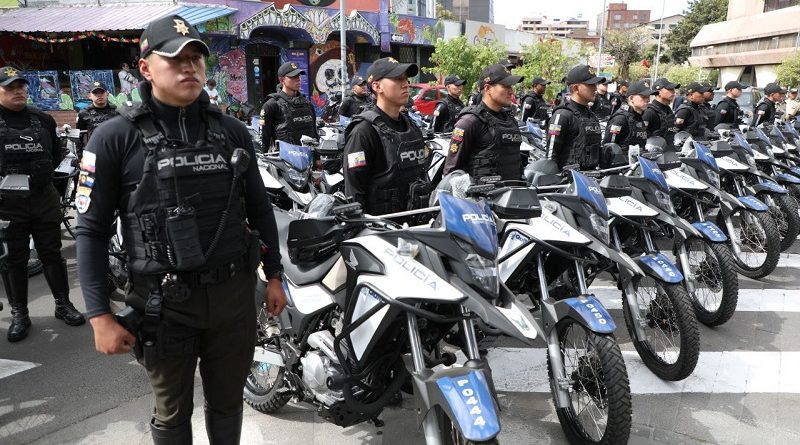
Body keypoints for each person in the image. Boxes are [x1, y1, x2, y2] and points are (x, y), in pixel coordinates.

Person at [74, 15, 287, 444]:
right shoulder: (114, 138)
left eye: (196, 58)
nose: (189, 67)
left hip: (233, 299)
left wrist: (275, 275)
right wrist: (99, 315)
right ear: (146, 69)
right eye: (175, 58)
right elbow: (91, 231)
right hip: (164, 304)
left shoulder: (231, 132)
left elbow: (260, 209)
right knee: (172, 415)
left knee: (228, 406)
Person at [0, 66, 85, 342]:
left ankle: (63, 304)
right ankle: (20, 314)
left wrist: (57, 196)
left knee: (52, 253)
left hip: (43, 198)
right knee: (15, 260)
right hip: (7, 205)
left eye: (21, 86)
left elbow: (59, 158)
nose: (19, 91)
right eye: (11, 87)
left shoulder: (43, 120)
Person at [343, 57, 430, 215]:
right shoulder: (363, 132)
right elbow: (354, 194)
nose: (405, 84)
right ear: (376, 86)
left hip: (417, 227)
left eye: (405, 78)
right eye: (398, 79)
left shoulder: (412, 127)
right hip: (382, 231)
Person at [444, 64, 524, 180]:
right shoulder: (470, 121)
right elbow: (451, 173)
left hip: (513, 195)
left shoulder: (510, 120)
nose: (511, 91)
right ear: (487, 88)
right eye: (506, 86)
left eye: (511, 86)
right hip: (482, 197)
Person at [545, 64, 605, 171]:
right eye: (590, 85)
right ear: (576, 88)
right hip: (569, 182)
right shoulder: (562, 115)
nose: (595, 88)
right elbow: (551, 156)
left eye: (595, 84)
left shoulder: (591, 116)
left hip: (591, 179)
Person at [259, 62, 318, 150]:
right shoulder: (270, 105)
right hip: (285, 160)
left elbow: (314, 133)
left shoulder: (307, 104)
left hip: (308, 159)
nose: (298, 79)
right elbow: (265, 138)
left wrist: (317, 158)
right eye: (293, 77)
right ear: (282, 80)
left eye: (298, 76)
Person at [603, 80, 656, 162]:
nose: (648, 100)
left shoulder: (638, 116)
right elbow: (608, 148)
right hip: (622, 168)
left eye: (648, 97)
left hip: (638, 165)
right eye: (643, 97)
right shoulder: (620, 119)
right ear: (631, 98)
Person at [76, 81, 118, 145]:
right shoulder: (83, 114)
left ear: (107, 94)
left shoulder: (117, 111)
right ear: (89, 95)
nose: (99, 95)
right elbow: (79, 136)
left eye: (102, 92)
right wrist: (80, 154)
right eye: (95, 93)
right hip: (94, 150)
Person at [643, 78, 681, 149]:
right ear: (658, 92)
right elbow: (641, 137)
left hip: (671, 153)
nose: (673, 92)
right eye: (669, 89)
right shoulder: (649, 112)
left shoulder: (668, 110)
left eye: (673, 89)